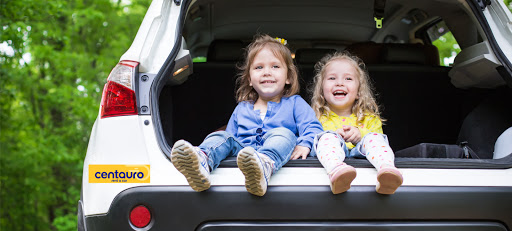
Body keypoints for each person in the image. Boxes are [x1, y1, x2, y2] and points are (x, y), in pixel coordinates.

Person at [170, 34, 323, 196]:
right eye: (259, 67)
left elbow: (313, 127)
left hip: (277, 155)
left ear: (289, 78)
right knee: (222, 136)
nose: (266, 72)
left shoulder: (295, 103)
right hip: (243, 158)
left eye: (275, 67)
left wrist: (304, 144)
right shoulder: (243, 108)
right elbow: (230, 138)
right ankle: (203, 160)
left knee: (284, 133)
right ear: (250, 79)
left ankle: (264, 165)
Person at [309, 52, 403, 195]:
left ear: (359, 92)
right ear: (322, 90)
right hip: (332, 162)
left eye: (348, 78)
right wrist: (334, 136)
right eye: (332, 78)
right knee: (326, 138)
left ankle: (387, 172)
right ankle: (337, 173)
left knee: (375, 138)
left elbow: (379, 144)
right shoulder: (315, 117)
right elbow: (309, 144)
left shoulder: (369, 118)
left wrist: (360, 136)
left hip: (363, 156)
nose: (339, 83)